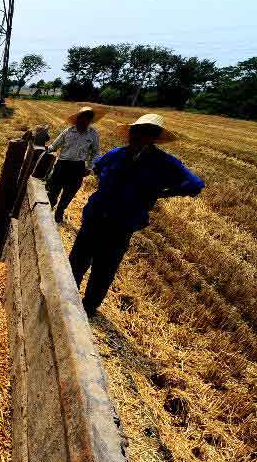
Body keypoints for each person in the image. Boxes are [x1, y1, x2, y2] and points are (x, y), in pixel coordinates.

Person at [70, 114, 205, 317]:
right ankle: (67, 298)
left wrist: (161, 193)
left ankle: (89, 307)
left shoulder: (164, 163)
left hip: (122, 223)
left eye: (144, 133)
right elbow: (98, 166)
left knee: (104, 267)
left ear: (154, 137)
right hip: (96, 215)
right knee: (78, 260)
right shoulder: (117, 154)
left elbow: (195, 184)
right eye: (135, 132)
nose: (136, 136)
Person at [46, 106, 103, 223]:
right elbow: (54, 146)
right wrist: (44, 150)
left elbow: (96, 152)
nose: (83, 121)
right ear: (77, 118)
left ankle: (59, 212)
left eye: (87, 119)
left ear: (90, 121)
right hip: (62, 165)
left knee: (68, 194)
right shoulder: (68, 131)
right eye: (81, 118)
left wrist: (89, 167)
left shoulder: (93, 134)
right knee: (53, 190)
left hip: (78, 167)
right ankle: (48, 210)